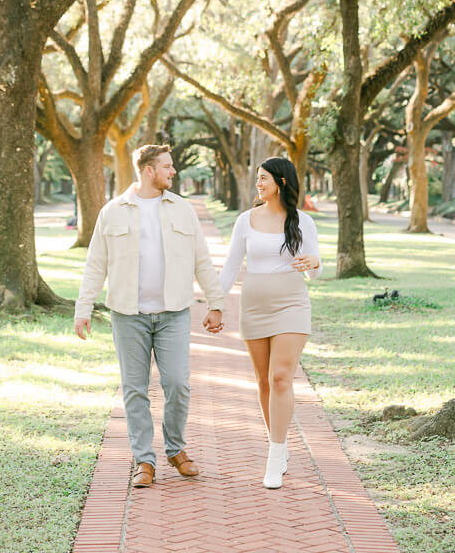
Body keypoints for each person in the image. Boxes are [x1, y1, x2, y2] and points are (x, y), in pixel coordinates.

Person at [74, 143, 224, 488]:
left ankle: (175, 448)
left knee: (178, 384)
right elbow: (96, 264)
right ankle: (144, 460)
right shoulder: (112, 212)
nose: (173, 172)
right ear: (148, 170)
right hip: (128, 315)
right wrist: (84, 309)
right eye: (167, 166)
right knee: (134, 389)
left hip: (173, 313)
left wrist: (215, 303)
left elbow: (201, 259)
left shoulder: (183, 210)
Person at [219, 156, 321, 489]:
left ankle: (274, 458)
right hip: (254, 306)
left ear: (281, 182)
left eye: (264, 179)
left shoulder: (302, 221)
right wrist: (214, 304)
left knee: (280, 378)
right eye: (257, 179)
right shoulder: (246, 220)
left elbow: (315, 270)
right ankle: (280, 442)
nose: (258, 184)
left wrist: (315, 262)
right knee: (263, 381)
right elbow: (231, 266)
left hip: (291, 303)